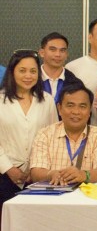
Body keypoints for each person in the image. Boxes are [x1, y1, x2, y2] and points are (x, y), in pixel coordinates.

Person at [0, 50, 58, 221]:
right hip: (4, 175)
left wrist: (37, 169)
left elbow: (53, 137)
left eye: (33, 71)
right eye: (22, 70)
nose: (28, 76)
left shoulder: (46, 100)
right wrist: (9, 168)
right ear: (12, 72)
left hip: (38, 177)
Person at [30, 83, 97, 185]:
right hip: (53, 197)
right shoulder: (44, 134)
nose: (76, 112)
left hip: (89, 197)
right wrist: (51, 174)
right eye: (70, 105)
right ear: (59, 109)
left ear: (89, 112)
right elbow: (35, 172)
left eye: (82, 106)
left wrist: (83, 175)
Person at [39, 32, 83, 105]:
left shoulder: (76, 83)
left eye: (62, 50)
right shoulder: (29, 80)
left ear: (66, 54)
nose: (58, 54)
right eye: (53, 49)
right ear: (42, 52)